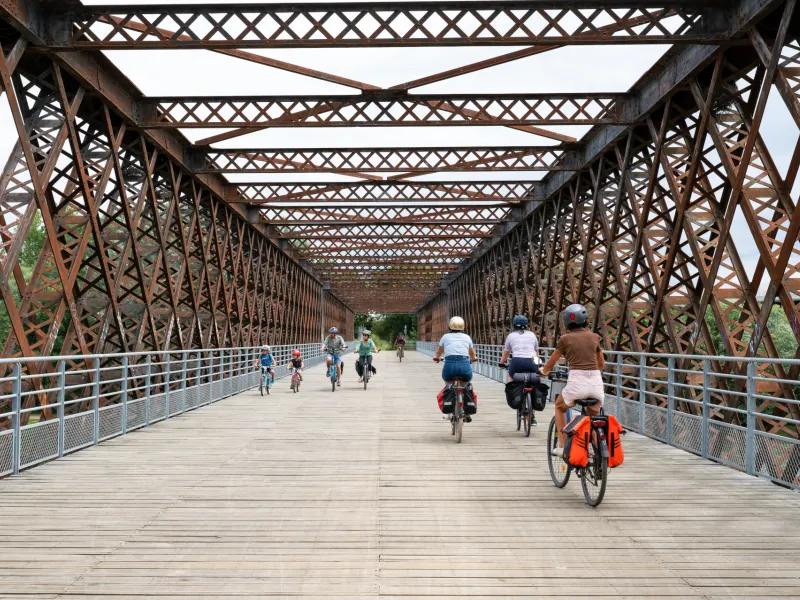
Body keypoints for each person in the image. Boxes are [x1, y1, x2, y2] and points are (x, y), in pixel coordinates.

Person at [541, 304, 605, 457]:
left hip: (577, 382)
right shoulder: (595, 337)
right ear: (586, 321)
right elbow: (601, 364)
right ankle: (598, 454)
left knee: (559, 407)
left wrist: (544, 371)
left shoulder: (564, 339)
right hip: (596, 382)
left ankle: (562, 445)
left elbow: (552, 360)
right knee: (592, 419)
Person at [433, 317, 477, 421]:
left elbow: (439, 350)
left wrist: (437, 357)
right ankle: (467, 411)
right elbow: (471, 352)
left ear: (450, 326)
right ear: (463, 326)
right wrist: (473, 358)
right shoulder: (467, 337)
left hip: (450, 366)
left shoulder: (445, 337)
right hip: (464, 366)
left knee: (448, 384)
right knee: (466, 384)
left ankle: (448, 413)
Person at [499, 315, 541, 425]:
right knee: (534, 382)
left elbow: (506, 352)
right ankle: (533, 417)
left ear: (514, 325)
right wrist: (538, 366)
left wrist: (501, 363)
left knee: (510, 376)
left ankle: (511, 392)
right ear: (526, 325)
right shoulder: (532, 335)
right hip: (532, 361)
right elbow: (536, 352)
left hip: (517, 361)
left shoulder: (511, 336)